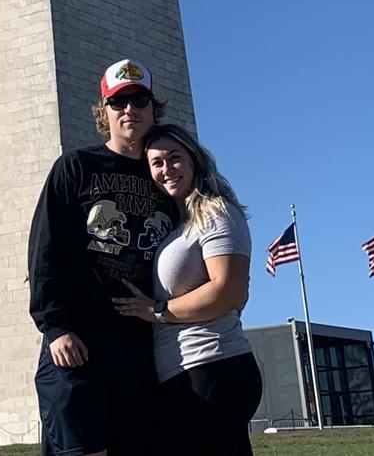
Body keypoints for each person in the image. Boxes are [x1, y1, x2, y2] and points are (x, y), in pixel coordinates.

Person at [28, 59, 177, 456]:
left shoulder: (166, 176)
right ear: (104, 111)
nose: (130, 110)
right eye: (119, 102)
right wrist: (54, 326)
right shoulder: (76, 167)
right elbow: (45, 249)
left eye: (139, 100)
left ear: (153, 109)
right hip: (79, 339)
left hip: (140, 346)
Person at [112, 122, 262, 454]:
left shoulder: (217, 214)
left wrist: (156, 311)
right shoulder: (177, 226)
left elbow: (228, 291)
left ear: (195, 159)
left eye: (174, 158)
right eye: (157, 162)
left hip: (213, 365)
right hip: (187, 372)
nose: (167, 169)